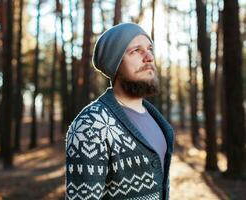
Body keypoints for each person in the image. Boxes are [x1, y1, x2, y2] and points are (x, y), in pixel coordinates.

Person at [65, 23, 174, 200]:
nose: (149, 57)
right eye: (136, 51)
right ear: (115, 64)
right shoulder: (91, 124)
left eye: (149, 49)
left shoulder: (157, 121)